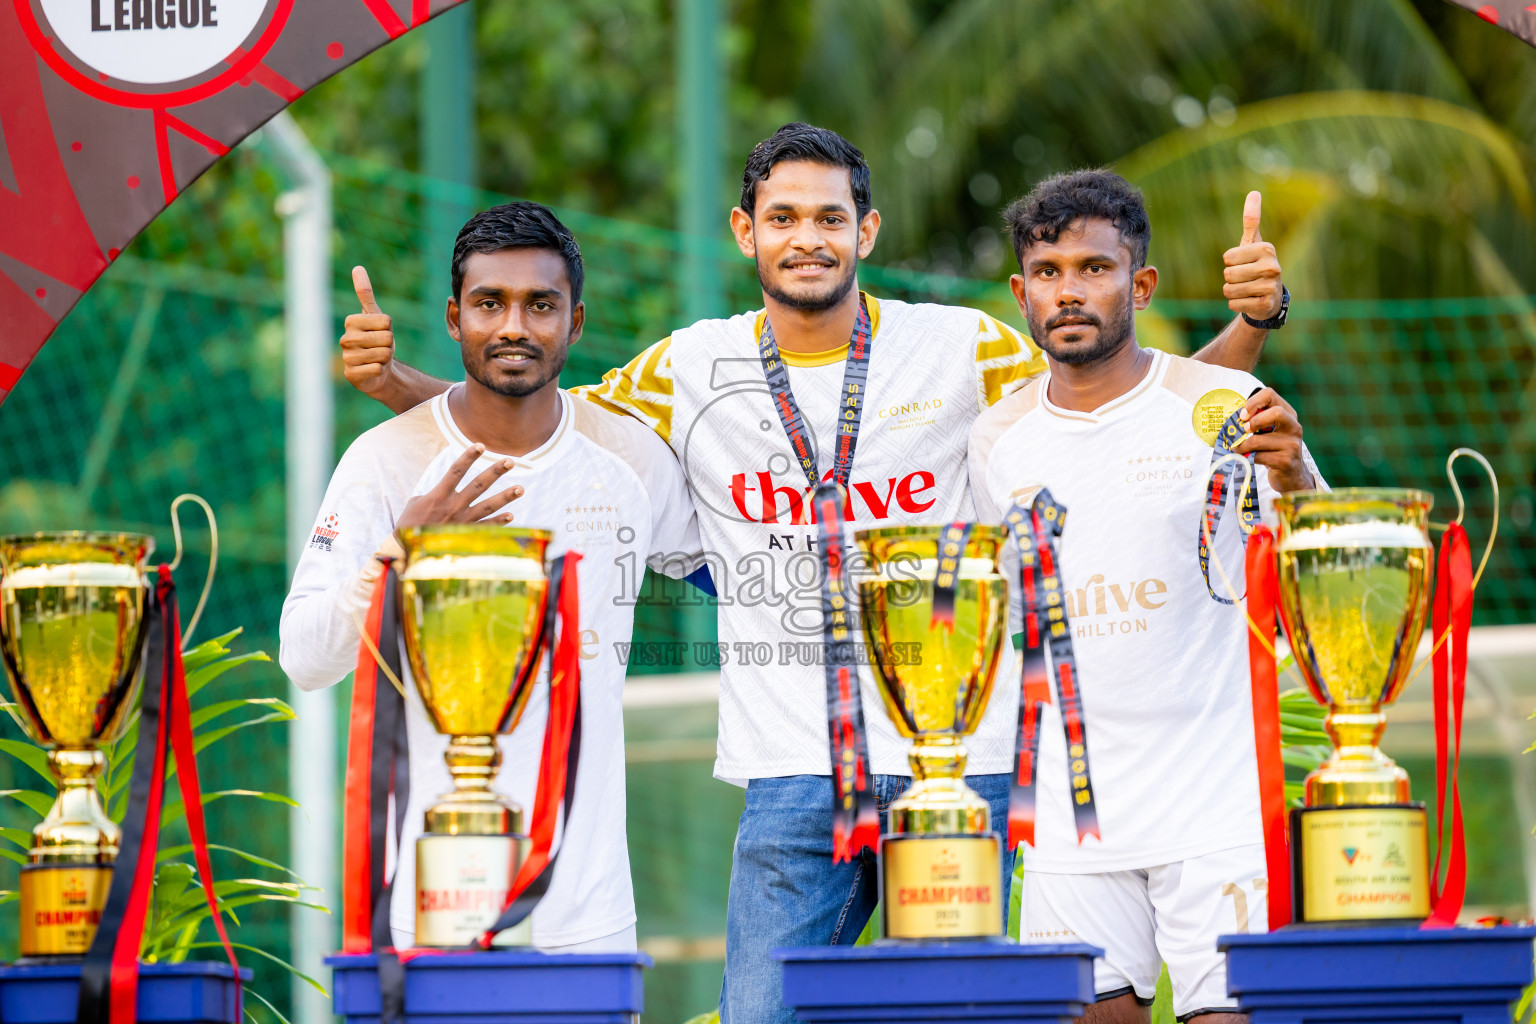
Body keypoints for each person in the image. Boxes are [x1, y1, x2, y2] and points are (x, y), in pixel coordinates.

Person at [337, 124, 1286, 1024]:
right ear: (746, 230)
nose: (808, 238)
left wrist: (1250, 327)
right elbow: (537, 428)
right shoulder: (686, 367)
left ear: (865, 230)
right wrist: (399, 387)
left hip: (961, 762)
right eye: (783, 217)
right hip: (792, 767)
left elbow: (1117, 417)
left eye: (830, 217)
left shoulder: (967, 347)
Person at [280, 202, 697, 953]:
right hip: (426, 908)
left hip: (587, 917)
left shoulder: (631, 462)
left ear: (574, 323)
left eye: (540, 305)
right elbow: (305, 657)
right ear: (453, 317)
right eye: (489, 303)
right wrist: (401, 556)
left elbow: (744, 567)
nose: (513, 326)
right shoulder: (385, 461)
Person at [969, 170, 1318, 1024]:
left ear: (1141, 282)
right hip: (1067, 817)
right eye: (1048, 271)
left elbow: (1316, 561)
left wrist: (1298, 473)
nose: (1070, 290)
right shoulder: (996, 438)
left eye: (1095, 267)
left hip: (1217, 805)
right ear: (1022, 291)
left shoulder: (1224, 405)